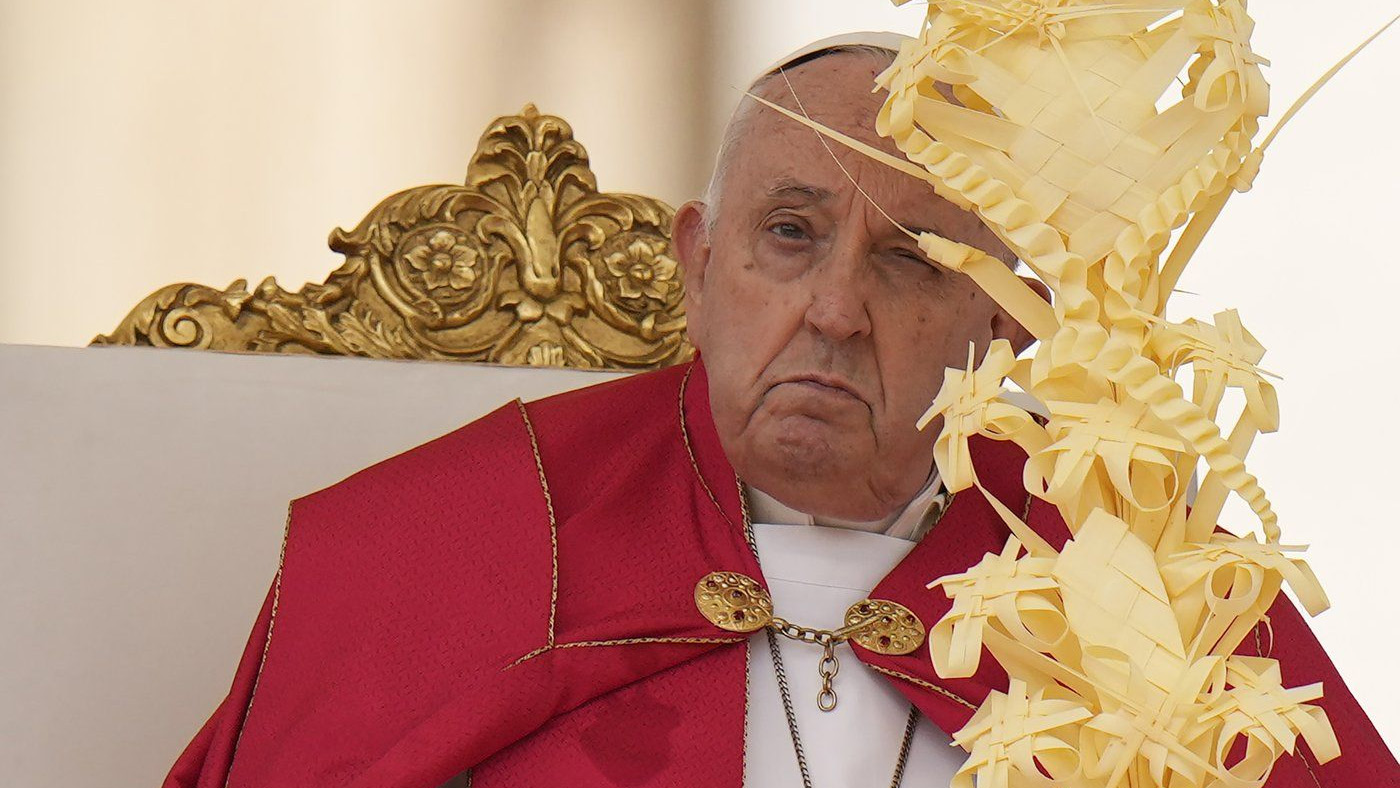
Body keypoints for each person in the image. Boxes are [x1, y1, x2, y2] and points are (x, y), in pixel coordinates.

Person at [165, 35, 1396, 788]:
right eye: (789, 234)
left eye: (912, 257)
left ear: (1009, 322)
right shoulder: (450, 544)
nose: (834, 310)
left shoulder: (1142, 596)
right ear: (698, 267)